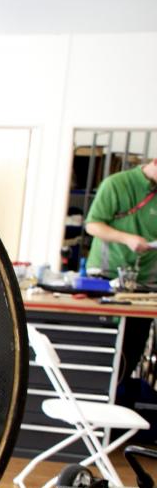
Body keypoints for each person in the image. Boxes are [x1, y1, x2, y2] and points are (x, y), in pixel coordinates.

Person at [84, 156, 157, 396]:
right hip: (106, 276)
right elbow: (92, 225)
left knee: (133, 346)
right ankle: (96, 397)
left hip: (144, 284)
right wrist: (127, 239)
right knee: (101, 343)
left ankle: (116, 399)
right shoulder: (117, 184)